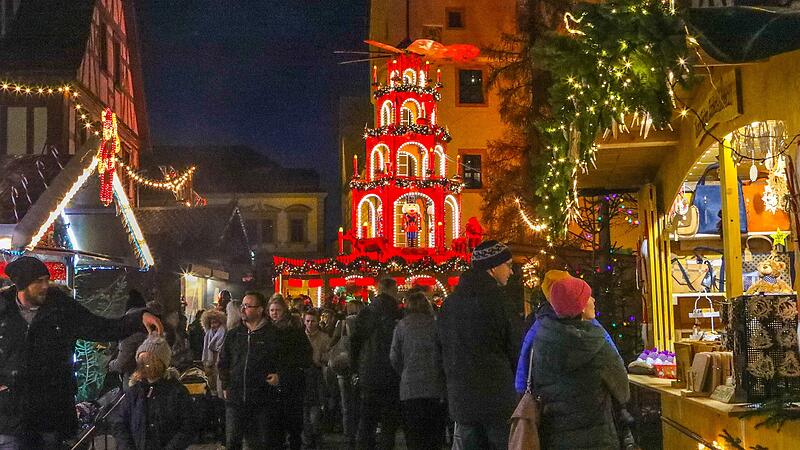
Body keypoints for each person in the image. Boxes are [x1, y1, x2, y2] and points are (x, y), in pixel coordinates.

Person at [0, 256, 162, 448]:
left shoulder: (61, 308)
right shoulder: (4, 311)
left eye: (46, 280)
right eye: (38, 282)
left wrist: (137, 319)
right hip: (12, 414)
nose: (45, 286)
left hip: (51, 412)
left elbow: (100, 327)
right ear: (22, 285)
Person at [531, 277, 630, 449]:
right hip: (598, 438)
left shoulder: (542, 341)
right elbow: (623, 392)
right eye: (589, 297)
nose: (593, 300)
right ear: (581, 306)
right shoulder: (597, 343)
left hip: (555, 437)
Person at [438, 240, 519, 450]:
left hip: (461, 400)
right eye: (508, 265)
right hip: (497, 400)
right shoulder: (500, 302)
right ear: (492, 267)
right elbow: (515, 349)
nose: (511, 271)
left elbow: (441, 349)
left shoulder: (449, 304)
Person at [515, 270, 618, 394]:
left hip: (550, 403)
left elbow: (526, 354)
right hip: (589, 401)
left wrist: (521, 386)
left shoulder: (541, 324)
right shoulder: (591, 326)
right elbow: (613, 359)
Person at [218, 292, 282, 449]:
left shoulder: (272, 335)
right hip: (236, 398)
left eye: (248, 306)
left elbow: (282, 361)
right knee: (232, 441)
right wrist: (226, 384)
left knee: (258, 443)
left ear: (260, 310)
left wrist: (279, 377)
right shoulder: (234, 334)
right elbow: (224, 361)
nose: (243, 309)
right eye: (243, 306)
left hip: (261, 400)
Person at [112, 334, 195, 449]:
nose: (145, 366)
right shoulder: (134, 392)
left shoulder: (176, 391)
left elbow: (188, 426)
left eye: (149, 361)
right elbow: (120, 423)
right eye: (142, 361)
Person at [350, 278, 403, 450]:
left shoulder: (367, 312)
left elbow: (355, 342)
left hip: (369, 373)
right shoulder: (397, 313)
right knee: (388, 423)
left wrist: (355, 368)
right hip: (391, 373)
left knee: (367, 421)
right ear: (392, 290)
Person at [390, 292, 446, 450]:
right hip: (434, 387)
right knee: (434, 435)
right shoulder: (435, 325)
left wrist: (404, 372)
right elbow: (444, 354)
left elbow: (394, 356)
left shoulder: (401, 326)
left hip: (410, 388)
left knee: (414, 436)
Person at [269, 294, 313, 450]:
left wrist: (286, 374)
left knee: (294, 426)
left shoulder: (294, 331)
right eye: (272, 310)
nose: (274, 313)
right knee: (276, 428)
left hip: (292, 384)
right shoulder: (267, 331)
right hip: (272, 385)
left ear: (284, 310)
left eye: (277, 310)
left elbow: (305, 356)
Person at [330, 299, 365, 448]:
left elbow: (333, 342)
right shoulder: (363, 324)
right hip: (359, 366)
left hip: (343, 366)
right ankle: (360, 432)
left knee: (346, 403)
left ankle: (349, 434)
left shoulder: (342, 323)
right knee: (360, 402)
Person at [108, 290, 149, 390]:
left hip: (134, 383)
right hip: (153, 381)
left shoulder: (129, 330)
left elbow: (122, 363)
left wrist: (110, 365)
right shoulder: (153, 327)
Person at [303, 310, 332, 449]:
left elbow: (327, 358)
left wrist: (320, 361)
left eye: (312, 321)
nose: (310, 324)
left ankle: (316, 440)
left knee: (315, 414)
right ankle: (308, 441)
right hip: (303, 377)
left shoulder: (324, 338)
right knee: (305, 415)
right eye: (307, 321)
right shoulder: (300, 336)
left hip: (317, 376)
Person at [202, 309, 226, 398]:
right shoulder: (208, 335)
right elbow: (205, 351)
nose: (213, 325)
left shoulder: (224, 333)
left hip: (220, 363)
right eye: (211, 323)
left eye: (215, 323)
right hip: (211, 365)